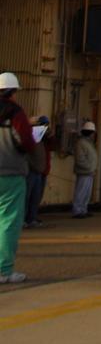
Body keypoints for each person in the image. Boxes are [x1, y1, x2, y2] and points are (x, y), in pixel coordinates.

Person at [0, 72, 35, 286]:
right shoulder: (15, 112)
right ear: (12, 92)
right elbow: (26, 142)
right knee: (8, 221)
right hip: (10, 172)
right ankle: (3, 269)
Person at [24, 117, 52, 229]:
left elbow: (52, 145)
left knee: (35, 197)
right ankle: (23, 219)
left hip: (39, 172)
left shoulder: (42, 140)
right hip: (31, 171)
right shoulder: (30, 137)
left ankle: (31, 218)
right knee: (26, 197)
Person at [71, 121, 98, 218]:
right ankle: (77, 210)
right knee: (81, 191)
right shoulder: (81, 143)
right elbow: (80, 159)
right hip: (84, 172)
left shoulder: (87, 143)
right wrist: (90, 168)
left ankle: (83, 209)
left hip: (89, 172)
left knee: (86, 193)